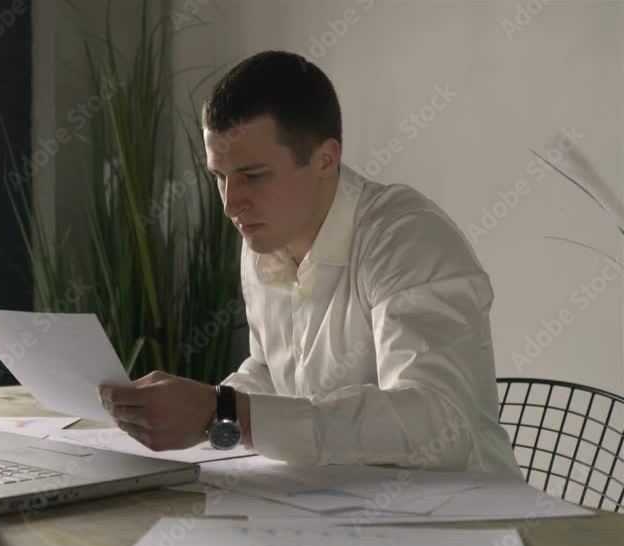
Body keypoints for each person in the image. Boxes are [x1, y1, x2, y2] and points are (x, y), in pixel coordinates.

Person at [98, 50, 521, 475]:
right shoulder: (265, 236)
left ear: (325, 160)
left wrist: (226, 411)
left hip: (463, 511)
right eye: (219, 176)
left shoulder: (407, 238)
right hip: (333, 502)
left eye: (253, 175)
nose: (230, 204)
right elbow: (272, 372)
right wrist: (201, 408)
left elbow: (439, 424)